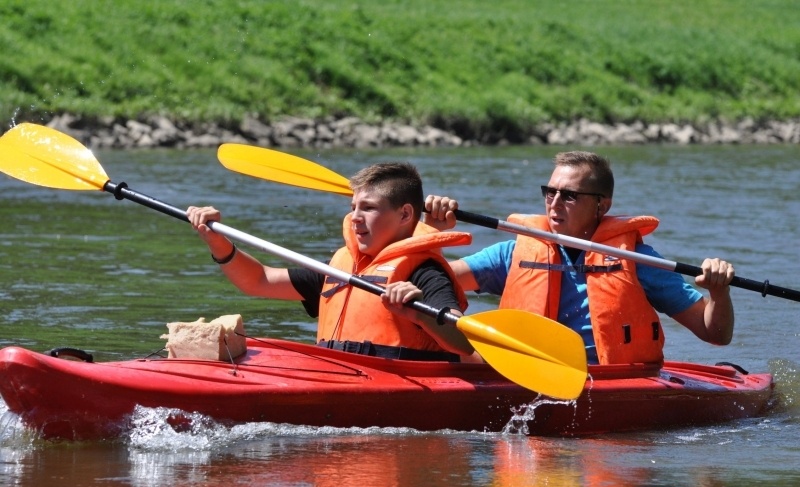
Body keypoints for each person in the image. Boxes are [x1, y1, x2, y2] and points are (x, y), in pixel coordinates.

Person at [423, 151, 735, 365]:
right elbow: (432, 280)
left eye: (569, 196)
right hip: (526, 373)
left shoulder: (636, 260)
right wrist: (431, 231)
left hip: (610, 381)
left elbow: (715, 333)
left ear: (602, 206)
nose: (554, 203)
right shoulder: (512, 253)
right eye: (550, 192)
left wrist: (719, 292)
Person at [187, 162, 483, 362]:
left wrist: (420, 315)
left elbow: (462, 341)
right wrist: (216, 241)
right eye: (353, 207)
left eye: (368, 208)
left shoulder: (425, 272)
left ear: (405, 214)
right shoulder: (340, 266)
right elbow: (259, 280)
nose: (355, 217)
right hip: (338, 373)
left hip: (399, 383)